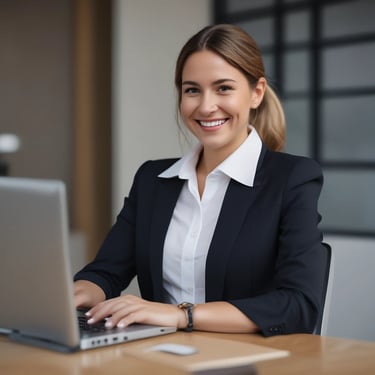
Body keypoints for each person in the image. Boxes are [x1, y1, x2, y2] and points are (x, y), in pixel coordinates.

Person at [74, 24, 325, 336]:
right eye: (192, 90)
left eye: (223, 88)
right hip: (157, 356)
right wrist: (72, 297)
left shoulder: (292, 179)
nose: (206, 106)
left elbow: (298, 305)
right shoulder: (153, 179)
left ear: (256, 93)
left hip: (249, 359)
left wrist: (182, 315)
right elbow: (106, 272)